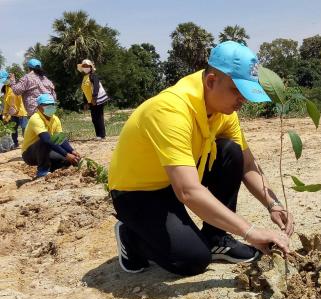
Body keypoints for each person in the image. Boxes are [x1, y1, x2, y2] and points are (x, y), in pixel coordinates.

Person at [108, 41, 292, 277]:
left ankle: (216, 238)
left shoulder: (222, 109)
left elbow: (246, 164)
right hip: (139, 194)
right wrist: (250, 232)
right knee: (192, 260)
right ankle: (131, 236)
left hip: (176, 179)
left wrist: (273, 204)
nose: (242, 100)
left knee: (230, 151)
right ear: (211, 81)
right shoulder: (170, 110)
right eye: (237, 90)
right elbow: (188, 191)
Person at [22, 93, 81, 177]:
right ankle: (42, 170)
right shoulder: (35, 118)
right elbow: (46, 139)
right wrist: (67, 154)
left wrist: (71, 151)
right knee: (44, 141)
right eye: (46, 105)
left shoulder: (55, 119)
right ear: (39, 107)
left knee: (66, 161)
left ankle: (51, 168)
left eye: (52, 104)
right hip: (29, 154)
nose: (50, 107)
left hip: (46, 150)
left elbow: (60, 139)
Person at [77, 59, 109, 140]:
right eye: (83, 66)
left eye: (87, 66)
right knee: (94, 118)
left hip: (97, 99)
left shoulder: (93, 76)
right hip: (90, 100)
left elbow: (96, 87)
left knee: (99, 117)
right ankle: (98, 135)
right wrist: (85, 102)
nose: (85, 67)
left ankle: (102, 135)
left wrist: (94, 98)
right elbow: (85, 91)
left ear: (91, 67)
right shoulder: (84, 77)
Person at [1, 70, 28, 149]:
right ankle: (15, 143)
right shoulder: (5, 88)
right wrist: (5, 113)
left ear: (9, 79)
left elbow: (19, 100)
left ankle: (27, 144)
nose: (4, 82)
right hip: (12, 113)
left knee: (24, 128)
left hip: (21, 112)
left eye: (5, 80)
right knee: (13, 129)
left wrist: (17, 111)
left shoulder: (15, 87)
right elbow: (6, 102)